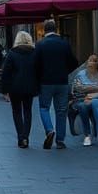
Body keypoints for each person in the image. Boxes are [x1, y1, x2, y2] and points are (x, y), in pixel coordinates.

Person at [33, 19, 79, 149]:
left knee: (44, 108)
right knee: (61, 111)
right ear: (56, 29)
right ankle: (60, 140)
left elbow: (35, 64)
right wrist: (64, 72)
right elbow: (74, 62)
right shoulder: (64, 44)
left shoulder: (40, 45)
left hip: (45, 82)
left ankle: (49, 130)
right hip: (62, 82)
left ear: (44, 30)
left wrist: (39, 77)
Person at [1, 31, 38, 147]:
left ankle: (21, 137)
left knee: (17, 112)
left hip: (15, 87)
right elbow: (38, 70)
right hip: (29, 87)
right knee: (28, 111)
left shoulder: (12, 53)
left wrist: (4, 90)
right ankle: (26, 136)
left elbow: (6, 72)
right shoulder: (34, 53)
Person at [71, 53, 98, 148]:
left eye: (95, 61)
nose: (92, 63)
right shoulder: (81, 74)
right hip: (83, 99)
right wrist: (96, 88)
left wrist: (91, 95)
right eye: (90, 60)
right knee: (82, 106)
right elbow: (78, 88)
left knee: (95, 103)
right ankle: (87, 135)